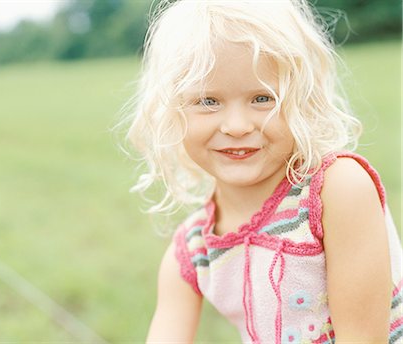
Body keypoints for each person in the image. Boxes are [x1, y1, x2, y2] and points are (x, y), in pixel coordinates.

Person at [124, 0, 403, 342]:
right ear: (171, 112)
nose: (238, 126)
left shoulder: (336, 189)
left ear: (303, 99)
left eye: (263, 98)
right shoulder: (193, 249)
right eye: (208, 102)